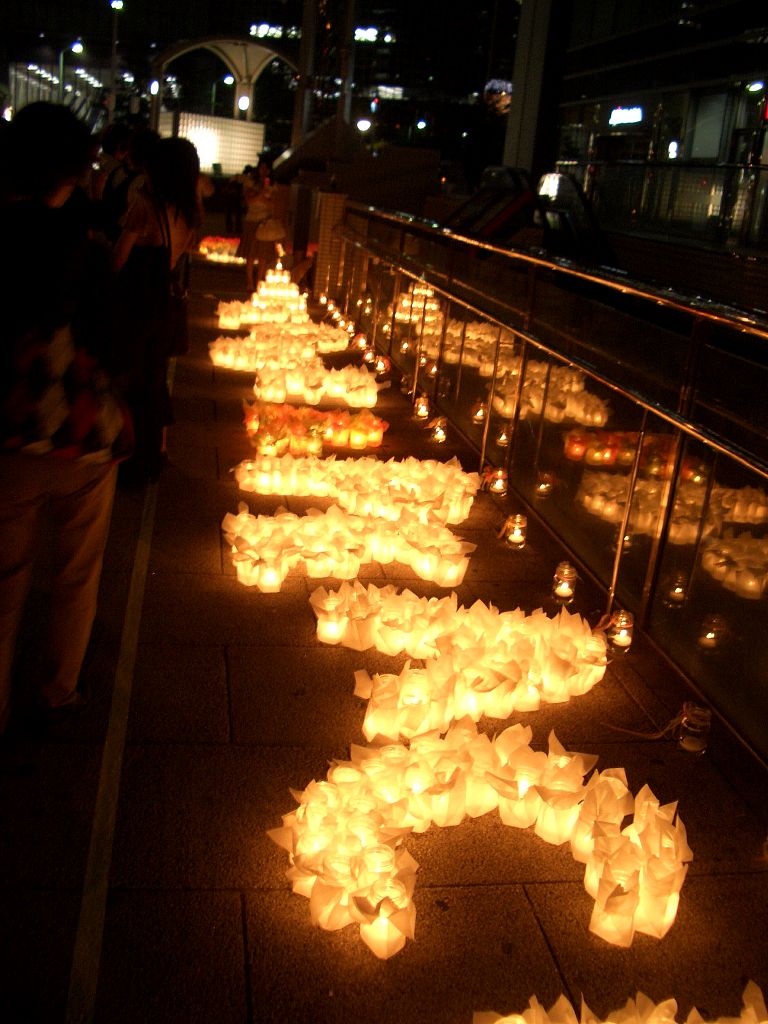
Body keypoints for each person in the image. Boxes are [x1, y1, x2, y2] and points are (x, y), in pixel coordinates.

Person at [0, 102, 132, 736]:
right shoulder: (86, 248)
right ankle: (59, 688)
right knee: (76, 572)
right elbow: (112, 345)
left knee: (4, 579)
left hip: (9, 429)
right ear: (76, 172)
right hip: (82, 432)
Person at [111, 136, 202, 482]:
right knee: (154, 379)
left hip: (136, 307)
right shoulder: (189, 212)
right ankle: (153, 455)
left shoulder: (145, 207)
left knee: (131, 378)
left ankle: (131, 456)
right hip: (164, 306)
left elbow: (118, 261)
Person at [236, 157, 284, 291]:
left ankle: (258, 281)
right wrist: (261, 196)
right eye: (262, 167)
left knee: (263, 254)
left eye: (266, 168)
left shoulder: (272, 185)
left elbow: (273, 204)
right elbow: (249, 201)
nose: (264, 171)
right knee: (250, 254)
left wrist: (260, 198)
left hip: (265, 222)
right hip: (252, 221)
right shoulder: (250, 182)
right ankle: (249, 282)